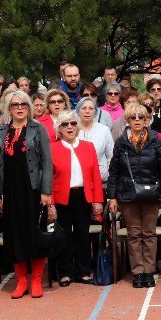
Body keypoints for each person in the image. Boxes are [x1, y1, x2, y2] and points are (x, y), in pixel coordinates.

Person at [0, 90, 53, 298]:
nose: (19, 108)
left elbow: (46, 162)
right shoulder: (1, 132)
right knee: (14, 236)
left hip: (33, 191)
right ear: (9, 108)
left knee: (35, 234)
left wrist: (46, 191)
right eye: (15, 105)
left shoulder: (39, 129)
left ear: (29, 107)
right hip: (10, 191)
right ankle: (21, 281)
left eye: (23, 104)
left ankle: (36, 280)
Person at [107, 102, 161, 288]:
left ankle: (149, 272)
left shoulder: (155, 140)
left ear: (147, 120)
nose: (137, 120)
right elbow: (114, 172)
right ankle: (137, 272)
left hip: (152, 194)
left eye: (141, 117)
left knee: (149, 234)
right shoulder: (121, 142)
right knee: (134, 234)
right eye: (133, 117)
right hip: (127, 195)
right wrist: (112, 197)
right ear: (127, 120)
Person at [50, 111, 104, 285]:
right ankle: (65, 272)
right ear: (59, 129)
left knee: (82, 235)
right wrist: (50, 204)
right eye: (65, 125)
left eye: (73, 123)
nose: (70, 127)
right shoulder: (52, 148)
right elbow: (48, 179)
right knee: (63, 236)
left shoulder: (88, 146)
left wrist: (97, 200)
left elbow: (95, 175)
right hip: (61, 197)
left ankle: (83, 271)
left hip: (84, 196)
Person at [75, 96, 114, 182]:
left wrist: (107, 173)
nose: (87, 111)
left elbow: (111, 155)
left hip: (100, 179)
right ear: (78, 111)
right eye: (83, 108)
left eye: (91, 108)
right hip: (78, 180)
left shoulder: (104, 130)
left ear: (95, 112)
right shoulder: (73, 130)